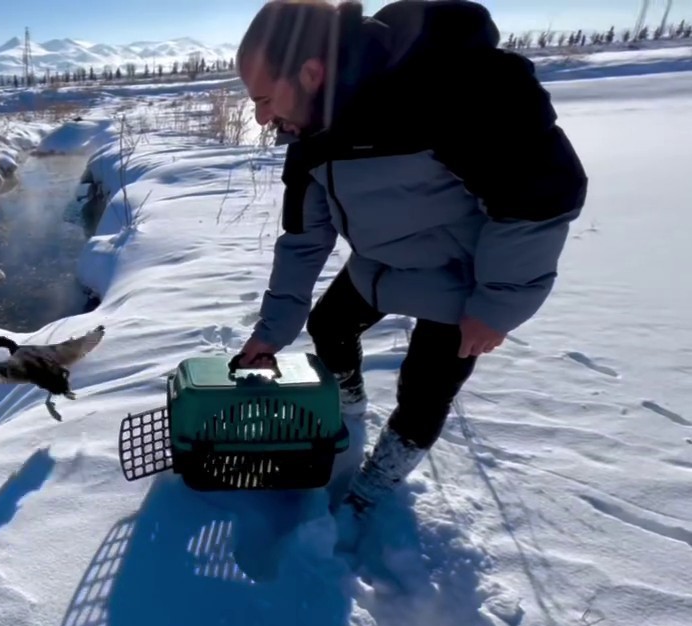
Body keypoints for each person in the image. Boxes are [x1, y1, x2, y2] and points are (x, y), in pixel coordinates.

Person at [234, 0, 588, 518]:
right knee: (329, 326)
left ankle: (372, 489)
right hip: (380, 263)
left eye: (264, 100)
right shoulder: (310, 133)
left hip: (461, 278)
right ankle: (350, 409)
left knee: (423, 393)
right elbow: (303, 239)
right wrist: (271, 330)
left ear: (311, 73)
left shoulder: (454, 89)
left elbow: (541, 200)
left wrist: (496, 308)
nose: (262, 118)